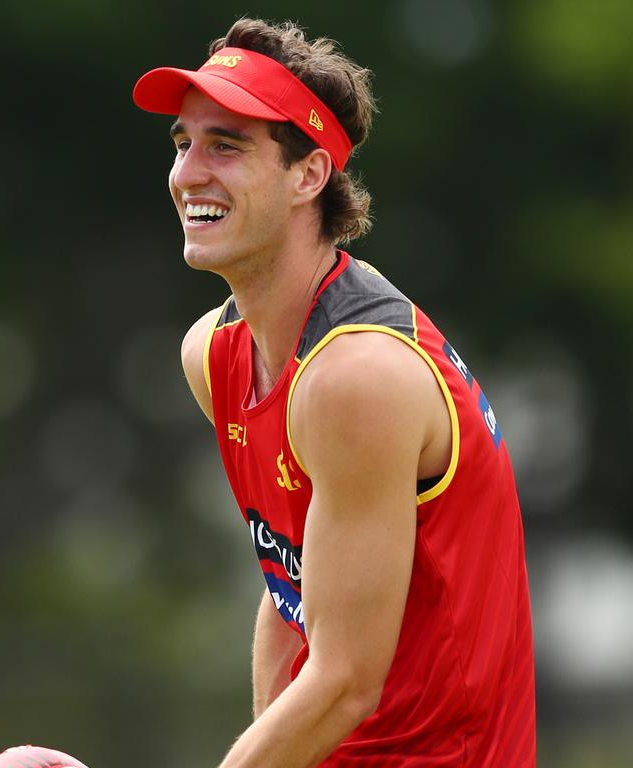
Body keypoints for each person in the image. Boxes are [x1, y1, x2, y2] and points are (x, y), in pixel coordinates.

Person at [133, 18, 536, 768]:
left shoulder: (356, 379)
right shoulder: (215, 354)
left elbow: (346, 682)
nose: (189, 172)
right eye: (183, 144)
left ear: (309, 175)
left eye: (227, 145)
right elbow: (292, 593)